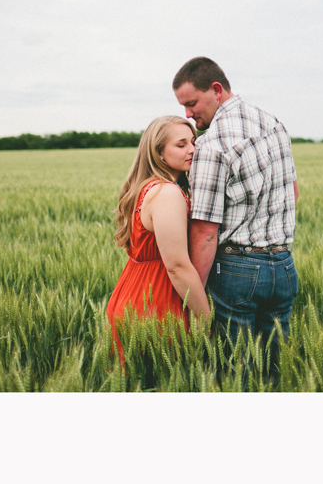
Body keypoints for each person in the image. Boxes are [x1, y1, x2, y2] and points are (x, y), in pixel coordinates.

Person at [173, 57, 299, 377]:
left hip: (238, 271)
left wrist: (194, 298)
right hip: (283, 265)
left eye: (192, 103)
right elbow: (293, 193)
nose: (188, 114)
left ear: (216, 90)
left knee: (234, 375)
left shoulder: (213, 143)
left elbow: (204, 231)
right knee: (272, 373)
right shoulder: (273, 123)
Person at [107, 115, 211, 361]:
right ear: (159, 154)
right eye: (181, 144)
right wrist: (205, 318)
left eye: (193, 142)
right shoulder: (167, 194)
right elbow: (176, 266)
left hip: (133, 293)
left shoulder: (145, 188)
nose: (193, 150)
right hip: (157, 300)